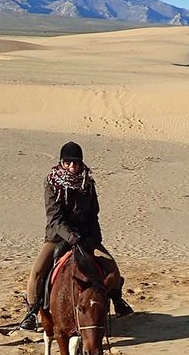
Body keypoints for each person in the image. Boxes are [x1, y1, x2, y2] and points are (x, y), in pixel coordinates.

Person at [18, 140, 134, 331]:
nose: (72, 166)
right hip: (57, 237)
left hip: (86, 236)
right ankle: (31, 312)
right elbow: (54, 218)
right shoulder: (52, 183)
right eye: (68, 162)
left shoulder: (87, 183)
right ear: (61, 162)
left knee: (112, 266)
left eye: (76, 163)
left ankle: (118, 300)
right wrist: (71, 237)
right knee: (37, 272)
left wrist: (95, 238)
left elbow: (93, 213)